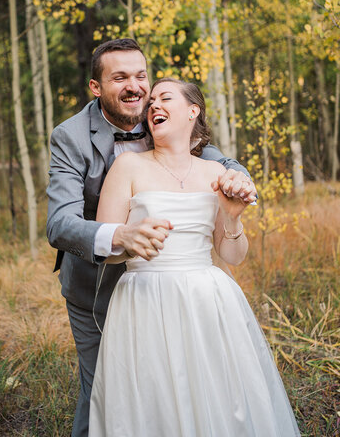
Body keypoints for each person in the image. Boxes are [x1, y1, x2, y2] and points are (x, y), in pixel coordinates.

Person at [46, 39, 257, 437]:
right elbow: (59, 223)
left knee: (179, 385)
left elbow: (213, 157)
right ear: (96, 88)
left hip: (176, 290)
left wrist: (238, 177)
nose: (135, 87)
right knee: (104, 394)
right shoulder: (70, 136)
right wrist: (119, 234)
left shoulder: (157, 115)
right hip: (95, 283)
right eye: (120, 77)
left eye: (141, 76)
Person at [88, 78, 300, 437]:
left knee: (219, 395)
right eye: (151, 101)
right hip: (144, 300)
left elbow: (231, 254)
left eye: (165, 98)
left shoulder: (215, 173)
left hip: (208, 299)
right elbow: (104, 248)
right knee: (154, 400)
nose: (153, 105)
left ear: (192, 111)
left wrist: (232, 217)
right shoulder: (127, 167)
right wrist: (128, 240)